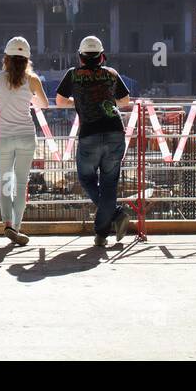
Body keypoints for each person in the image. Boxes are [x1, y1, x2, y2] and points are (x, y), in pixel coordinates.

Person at [56, 35, 133, 248]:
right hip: (115, 132)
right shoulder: (111, 74)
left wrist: (80, 100)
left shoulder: (73, 74)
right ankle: (101, 233)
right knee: (109, 184)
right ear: (101, 57)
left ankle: (116, 216)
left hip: (89, 133)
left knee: (87, 178)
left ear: (81, 57)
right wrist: (105, 100)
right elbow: (125, 100)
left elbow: (60, 101)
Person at [0, 36, 49, 246]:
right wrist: (29, 99)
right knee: (21, 184)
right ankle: (17, 227)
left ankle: (7, 223)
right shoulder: (33, 79)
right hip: (27, 135)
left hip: (4, 137)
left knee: (6, 183)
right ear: (27, 59)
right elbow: (44, 104)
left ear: (6, 58)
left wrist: (0, 100)